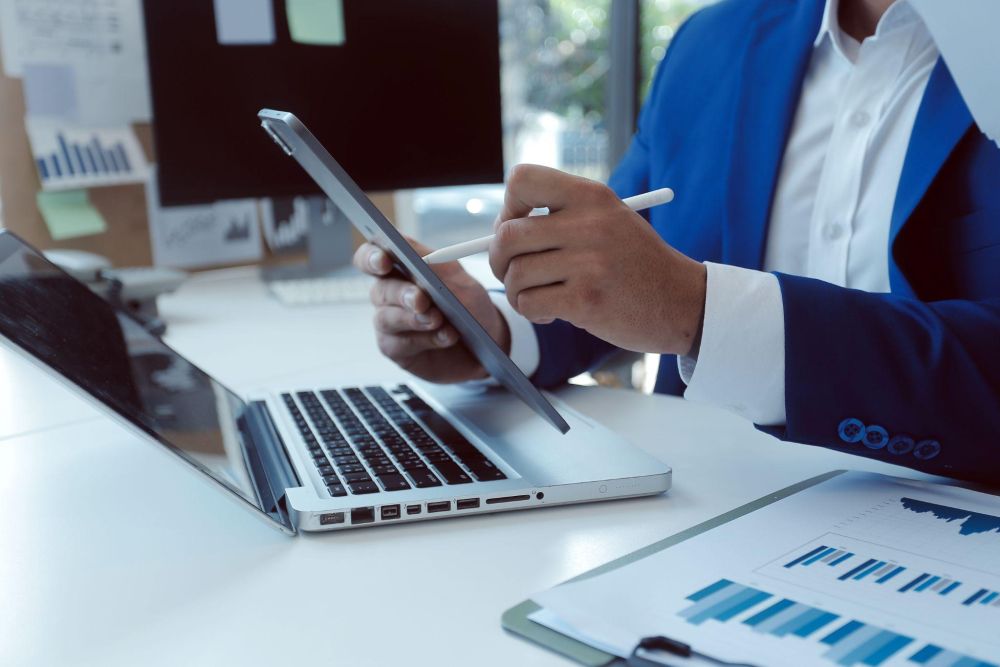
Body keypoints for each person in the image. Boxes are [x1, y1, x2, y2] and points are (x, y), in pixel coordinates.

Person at [354, 0, 1000, 485]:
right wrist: (494, 334)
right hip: (690, 512)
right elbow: (620, 279)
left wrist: (700, 310)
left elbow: (672, 299)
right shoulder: (711, 43)